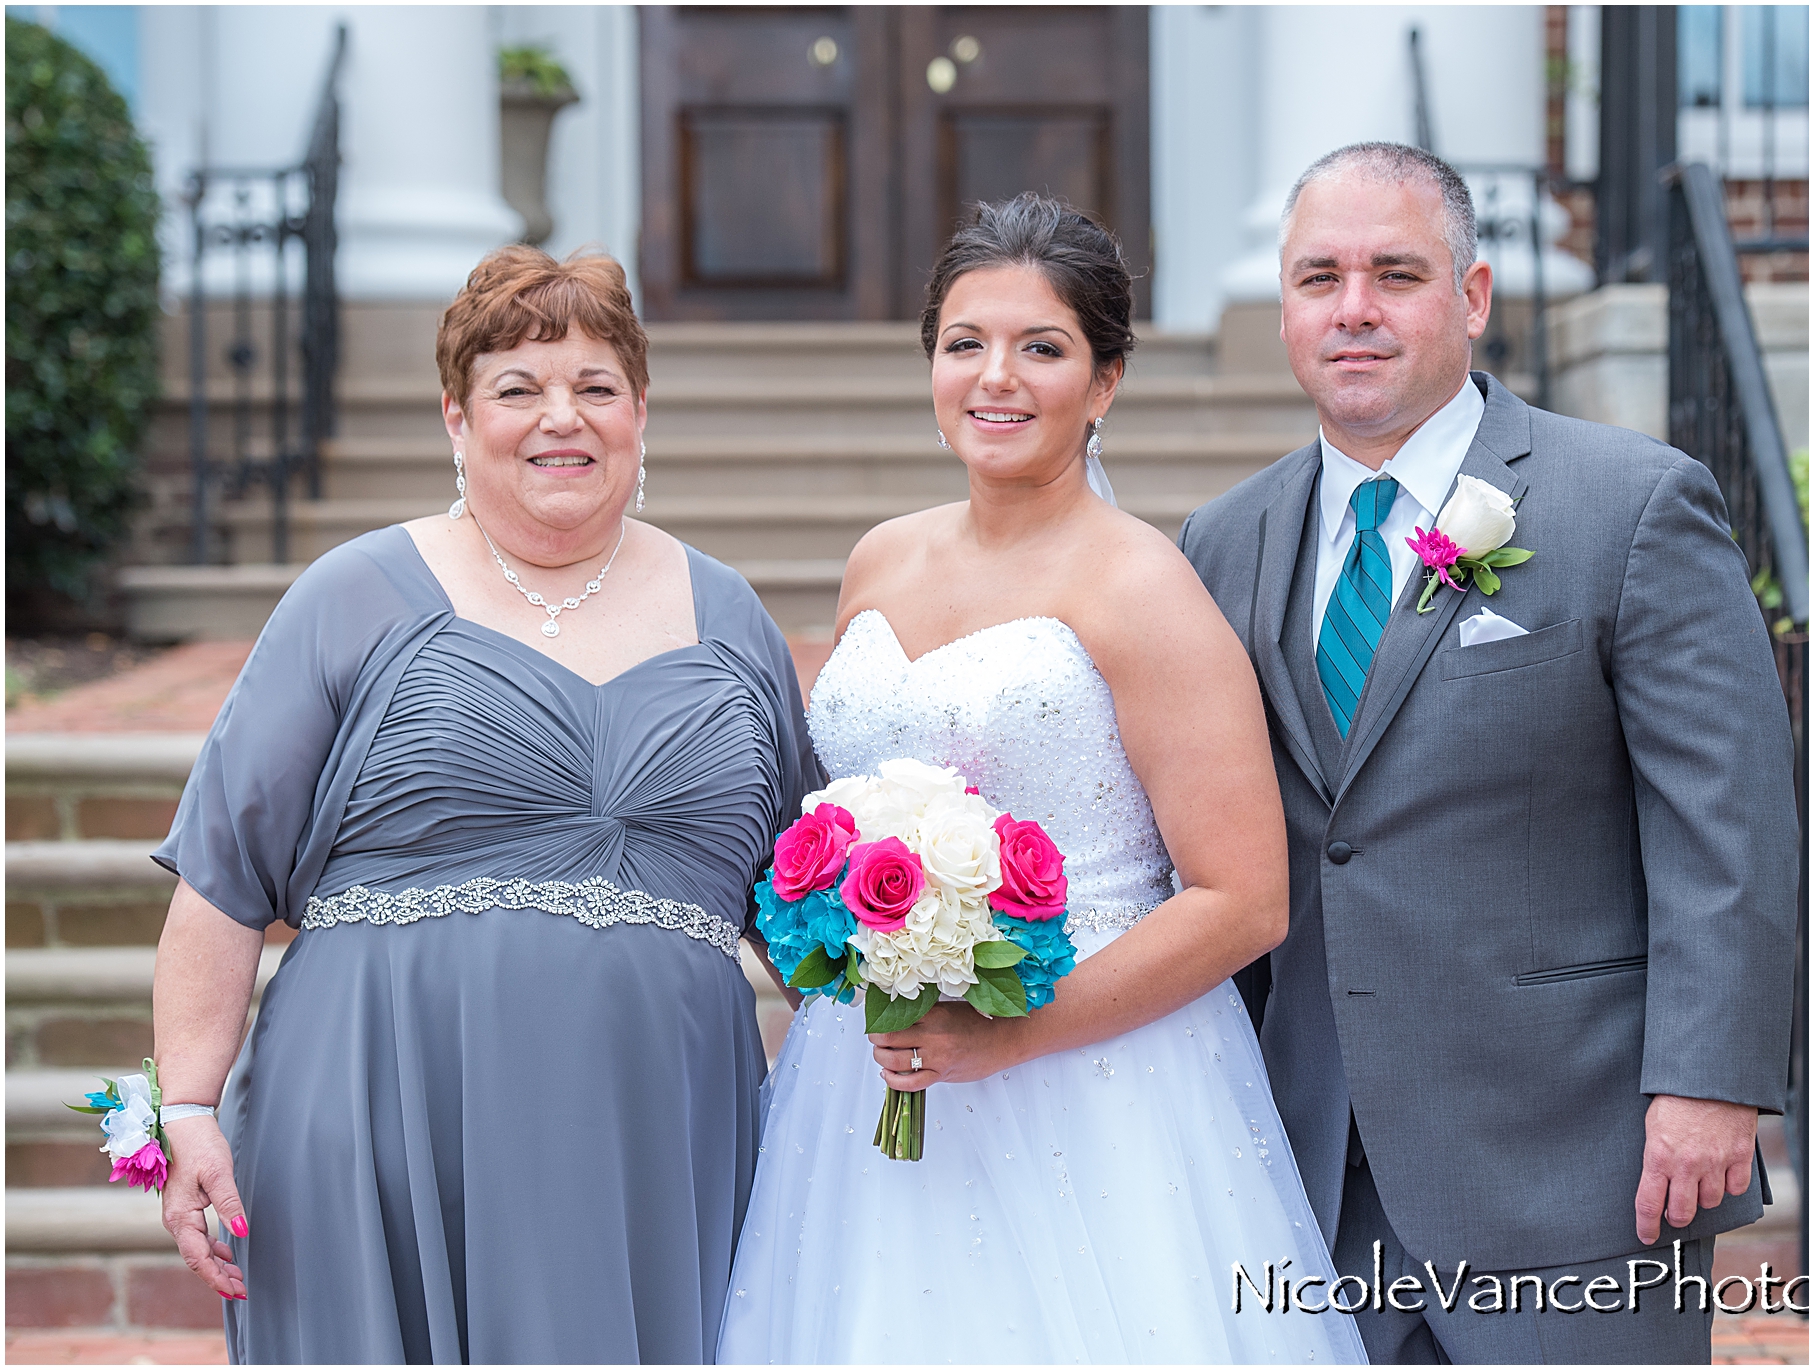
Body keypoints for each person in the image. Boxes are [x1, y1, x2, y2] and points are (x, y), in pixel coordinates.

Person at [715, 195, 1367, 1364]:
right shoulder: (879, 556)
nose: (994, 378)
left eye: (1042, 347)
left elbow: (1242, 897)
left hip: (1097, 1082)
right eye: (964, 342)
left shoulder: (1142, 586)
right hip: (862, 1070)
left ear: (1104, 380)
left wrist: (1010, 1035)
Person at [1178, 141, 1799, 1363]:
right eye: (1317, 278)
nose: (1351, 308)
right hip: (1311, 1169)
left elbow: (1725, 820)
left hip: (1571, 1160)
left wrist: (1710, 1079)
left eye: (1392, 273)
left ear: (1470, 297)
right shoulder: (1223, 538)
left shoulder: (1626, 503)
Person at [150, 246, 816, 1363]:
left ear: (640, 413)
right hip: (380, 1101)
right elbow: (223, 874)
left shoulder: (729, 614)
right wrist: (187, 1110)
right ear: (457, 418)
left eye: (597, 386)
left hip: (654, 1126)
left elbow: (804, 903)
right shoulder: (354, 593)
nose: (563, 416)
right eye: (518, 388)